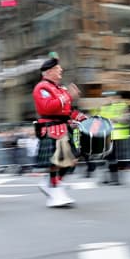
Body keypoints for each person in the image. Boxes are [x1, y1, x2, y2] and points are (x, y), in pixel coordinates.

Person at [33, 58, 86, 207]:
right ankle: (54, 191)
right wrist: (68, 95)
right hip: (52, 129)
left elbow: (66, 111)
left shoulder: (59, 89)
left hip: (64, 128)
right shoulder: (41, 88)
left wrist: (80, 117)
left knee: (72, 159)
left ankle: (51, 183)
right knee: (57, 162)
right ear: (49, 71)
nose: (61, 70)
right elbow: (48, 107)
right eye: (57, 68)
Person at [96, 92, 130, 184]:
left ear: (115, 97)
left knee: (118, 158)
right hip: (107, 136)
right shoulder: (103, 108)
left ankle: (117, 178)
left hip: (120, 136)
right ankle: (109, 177)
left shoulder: (122, 106)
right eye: (105, 97)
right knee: (108, 157)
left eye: (109, 97)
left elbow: (127, 119)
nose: (107, 99)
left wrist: (114, 119)